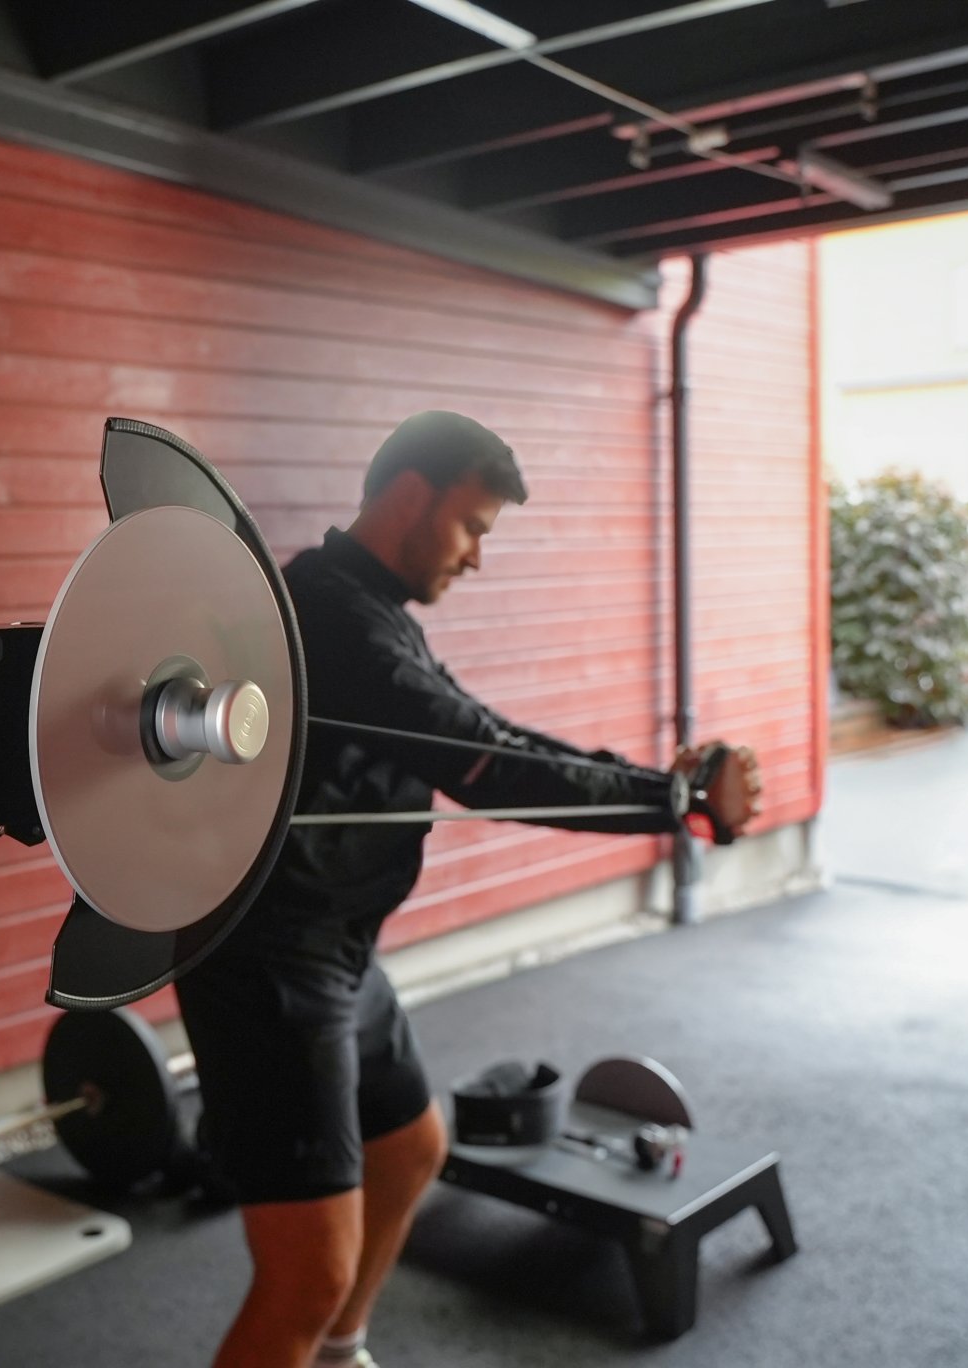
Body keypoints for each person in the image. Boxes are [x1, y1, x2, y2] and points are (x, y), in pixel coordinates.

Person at [175, 411, 762, 1368]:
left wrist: (664, 792)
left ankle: (338, 1355)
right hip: (268, 957)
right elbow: (488, 765)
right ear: (413, 495)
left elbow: (489, 734)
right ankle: (320, 1332)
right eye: (472, 527)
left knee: (410, 1150)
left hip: (332, 946)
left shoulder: (367, 610)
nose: (477, 557)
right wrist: (675, 800)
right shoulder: (333, 616)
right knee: (305, 1277)